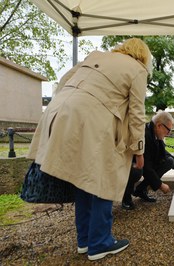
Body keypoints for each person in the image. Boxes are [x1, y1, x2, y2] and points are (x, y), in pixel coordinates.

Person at [27, 38, 152, 260]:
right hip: (93, 118)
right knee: (104, 179)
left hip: (60, 110)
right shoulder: (137, 69)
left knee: (83, 178)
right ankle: (100, 242)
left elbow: (64, 81)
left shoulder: (95, 56)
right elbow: (136, 113)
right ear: (143, 55)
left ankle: (84, 240)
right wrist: (139, 149)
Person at [122, 111, 174, 210]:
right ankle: (126, 198)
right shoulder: (145, 135)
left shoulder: (155, 132)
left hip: (145, 163)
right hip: (131, 164)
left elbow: (163, 153)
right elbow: (146, 167)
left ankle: (140, 190)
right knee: (137, 171)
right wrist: (161, 185)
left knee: (169, 161)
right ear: (159, 125)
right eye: (168, 130)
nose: (169, 133)